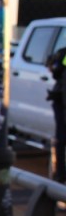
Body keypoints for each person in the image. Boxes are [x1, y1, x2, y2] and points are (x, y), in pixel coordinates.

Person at [47, 46, 66, 183]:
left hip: (60, 99)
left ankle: (60, 173)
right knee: (61, 137)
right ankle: (60, 173)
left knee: (61, 137)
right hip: (61, 100)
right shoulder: (63, 54)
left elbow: (55, 69)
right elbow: (56, 69)